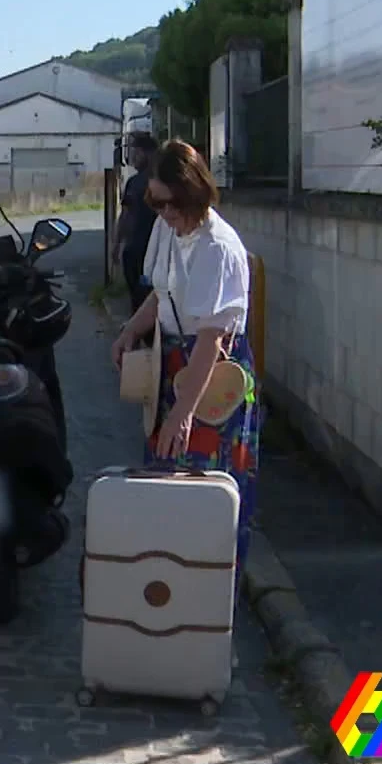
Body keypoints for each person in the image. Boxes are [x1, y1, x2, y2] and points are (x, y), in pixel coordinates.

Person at [108, 139, 260, 564]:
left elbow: (211, 340)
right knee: (165, 489)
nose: (166, 213)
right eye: (157, 203)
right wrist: (129, 331)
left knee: (208, 497)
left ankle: (211, 605)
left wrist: (181, 413)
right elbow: (162, 294)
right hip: (175, 365)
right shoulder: (168, 229)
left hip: (212, 375)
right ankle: (170, 597)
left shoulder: (218, 247)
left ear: (195, 193)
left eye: (173, 204)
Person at [111, 131, 160, 312]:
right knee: (135, 298)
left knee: (148, 297)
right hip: (132, 250)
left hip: (152, 252)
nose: (133, 157)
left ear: (148, 153)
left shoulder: (159, 181)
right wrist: (117, 245)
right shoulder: (132, 182)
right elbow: (124, 215)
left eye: (137, 152)